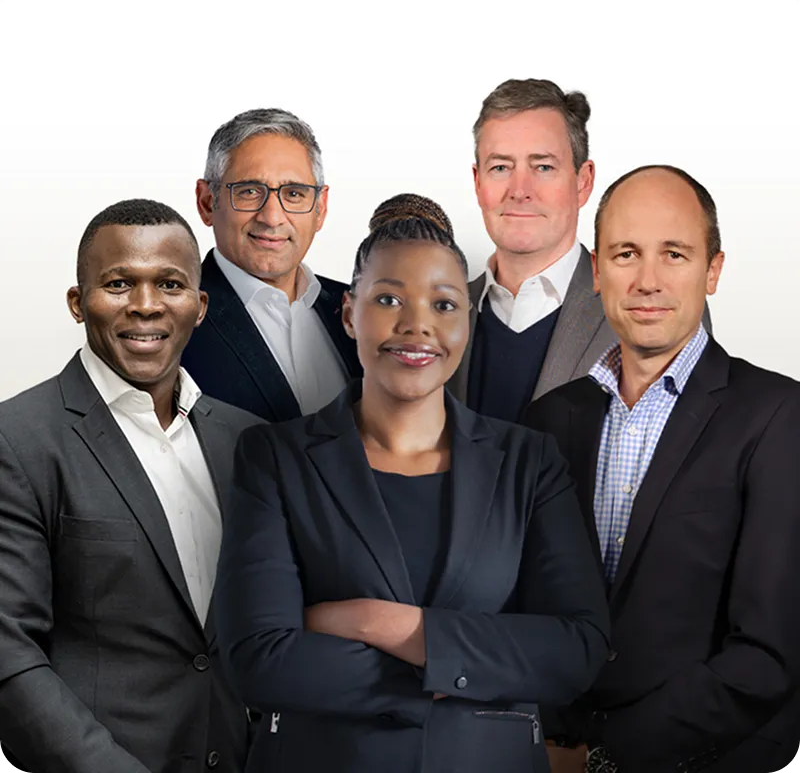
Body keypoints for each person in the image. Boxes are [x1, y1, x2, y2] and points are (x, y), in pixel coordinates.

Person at [214, 193, 610, 773]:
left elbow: (577, 651)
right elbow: (258, 659)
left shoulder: (529, 461)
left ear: (468, 322)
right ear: (349, 313)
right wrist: (470, 671)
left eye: (444, 304)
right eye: (389, 298)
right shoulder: (274, 457)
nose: (417, 324)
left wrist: (379, 624)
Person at [524, 166, 800, 772]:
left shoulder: (778, 416)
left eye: (674, 253)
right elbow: (527, 610)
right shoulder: (547, 421)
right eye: (626, 254)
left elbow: (769, 654)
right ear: (596, 271)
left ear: (713, 270)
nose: (647, 280)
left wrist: (603, 757)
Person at [0, 199, 262, 773]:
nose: (146, 306)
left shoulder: (250, 442)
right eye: (119, 283)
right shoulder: (17, 440)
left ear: (199, 305)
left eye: (170, 284)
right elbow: (7, 651)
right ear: (78, 303)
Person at [449, 78, 711, 422]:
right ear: (478, 182)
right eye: (501, 167)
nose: (520, 190)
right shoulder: (441, 314)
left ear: (583, 182)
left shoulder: (650, 306)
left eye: (543, 166)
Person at [182, 108, 361, 422]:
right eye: (250, 191)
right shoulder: (171, 322)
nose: (272, 217)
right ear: (207, 202)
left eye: (294, 194)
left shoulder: (360, 311)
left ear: (320, 208)